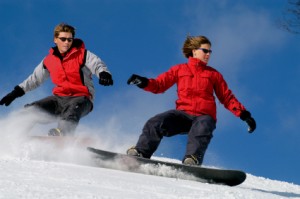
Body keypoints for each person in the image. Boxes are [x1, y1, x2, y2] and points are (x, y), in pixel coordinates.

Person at [126, 35, 256, 165]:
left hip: (203, 117)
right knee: (156, 121)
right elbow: (159, 85)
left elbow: (227, 97)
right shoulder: (179, 69)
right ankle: (141, 152)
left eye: (210, 51)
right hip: (183, 115)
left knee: (203, 126)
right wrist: (143, 82)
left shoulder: (213, 74)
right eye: (205, 50)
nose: (208, 54)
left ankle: (192, 159)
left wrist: (244, 115)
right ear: (194, 51)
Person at [0, 23, 113, 136]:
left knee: (71, 112)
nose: (66, 43)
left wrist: (104, 73)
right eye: (63, 39)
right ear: (55, 39)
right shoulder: (49, 60)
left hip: (81, 98)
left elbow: (97, 64)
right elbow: (34, 79)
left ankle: (62, 135)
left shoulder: (83, 55)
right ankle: (13, 135)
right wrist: (15, 93)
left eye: (69, 40)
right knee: (32, 110)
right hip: (59, 99)